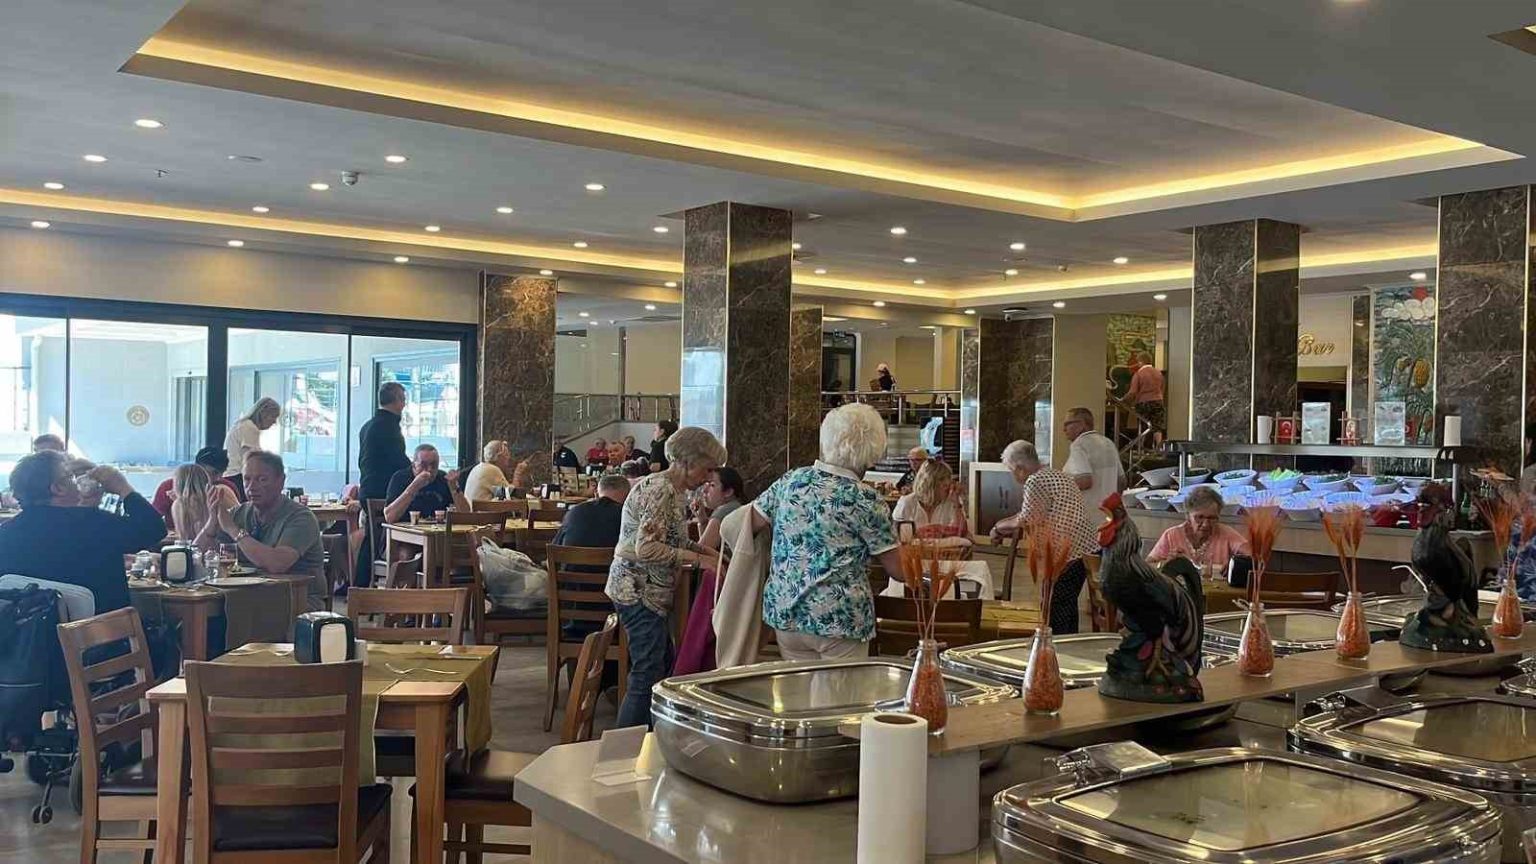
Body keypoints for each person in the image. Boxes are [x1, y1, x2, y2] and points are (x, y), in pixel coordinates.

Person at [750, 403, 903, 661]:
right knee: (841, 688)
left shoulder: (791, 481)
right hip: (839, 620)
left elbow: (749, 524)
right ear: (873, 448)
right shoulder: (865, 499)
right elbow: (900, 571)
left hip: (786, 613)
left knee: (799, 687)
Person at [606, 426, 726, 728]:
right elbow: (646, 549)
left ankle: (647, 740)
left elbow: (673, 540)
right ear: (687, 460)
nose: (709, 477)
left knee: (659, 667)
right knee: (647, 673)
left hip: (648, 592)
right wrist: (700, 560)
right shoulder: (660, 490)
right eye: (707, 468)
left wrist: (709, 554)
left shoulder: (673, 490)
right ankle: (626, 747)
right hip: (637, 591)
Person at [0, 451, 166, 612]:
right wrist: (123, 488)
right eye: (72, 477)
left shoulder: (5, 534)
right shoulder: (94, 523)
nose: (78, 482)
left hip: (27, 629)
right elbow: (154, 529)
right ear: (58, 488)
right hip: (101, 627)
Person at [989, 440, 1097, 634]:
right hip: (1086, 549)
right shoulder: (1056, 474)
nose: (1013, 475)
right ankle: (1068, 644)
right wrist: (1004, 525)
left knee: (1056, 607)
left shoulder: (1035, 480)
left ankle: (1057, 646)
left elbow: (1027, 518)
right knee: (1067, 604)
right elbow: (1031, 513)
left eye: (1011, 470)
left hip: (1067, 552)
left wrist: (997, 528)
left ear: (1020, 468)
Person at [198, 450, 326, 611]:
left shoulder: (301, 517)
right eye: (247, 479)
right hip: (242, 595)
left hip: (295, 599)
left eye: (262, 479)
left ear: (281, 481)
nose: (252, 487)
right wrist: (211, 524)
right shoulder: (239, 513)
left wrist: (233, 530)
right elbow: (195, 557)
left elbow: (276, 564)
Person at [356, 382, 411, 586]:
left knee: (371, 540)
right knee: (387, 537)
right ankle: (399, 578)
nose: (404, 404)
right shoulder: (389, 427)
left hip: (367, 489)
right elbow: (398, 462)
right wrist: (416, 472)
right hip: (383, 491)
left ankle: (360, 586)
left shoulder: (368, 426)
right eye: (403, 399)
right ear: (397, 400)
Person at [1147, 486, 1250, 576]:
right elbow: (1147, 566)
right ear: (1188, 516)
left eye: (1212, 518)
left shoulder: (1226, 533)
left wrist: (1236, 563)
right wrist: (1165, 563)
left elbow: (1254, 556)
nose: (1206, 524)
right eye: (1199, 517)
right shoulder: (1172, 535)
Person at [151, 446, 238, 530]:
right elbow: (153, 519)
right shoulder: (169, 486)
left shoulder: (225, 487)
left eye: (221, 473)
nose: (218, 478)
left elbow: (237, 521)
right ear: (198, 468)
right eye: (214, 473)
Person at [384, 444, 469, 523]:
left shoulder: (443, 478)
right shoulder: (400, 478)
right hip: (403, 531)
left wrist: (454, 487)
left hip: (436, 531)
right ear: (414, 465)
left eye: (434, 465)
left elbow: (466, 516)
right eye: (423, 465)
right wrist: (414, 486)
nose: (429, 469)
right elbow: (389, 517)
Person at [1061, 406, 1123, 513]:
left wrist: (1058, 485)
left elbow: (1085, 481)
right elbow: (1121, 481)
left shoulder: (1079, 444)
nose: (1064, 429)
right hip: (1108, 514)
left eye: (1068, 424)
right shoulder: (1108, 443)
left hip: (1086, 515)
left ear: (1081, 424)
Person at [891, 460, 968, 539]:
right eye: (941, 479)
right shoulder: (907, 502)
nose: (947, 483)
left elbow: (962, 533)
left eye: (948, 478)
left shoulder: (952, 501)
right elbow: (896, 536)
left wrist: (956, 502)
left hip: (945, 547)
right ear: (927, 483)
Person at [554, 474, 630, 548]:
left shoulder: (575, 511)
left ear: (596, 494)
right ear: (628, 496)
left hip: (571, 556)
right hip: (610, 557)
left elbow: (555, 547)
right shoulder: (627, 516)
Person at [223, 397, 281, 485]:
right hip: (237, 477)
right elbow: (252, 460)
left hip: (231, 476)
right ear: (263, 413)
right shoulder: (249, 428)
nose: (274, 422)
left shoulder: (242, 425)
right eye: (273, 416)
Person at [692, 466, 745, 554]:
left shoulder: (724, 511)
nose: (704, 490)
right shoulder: (735, 506)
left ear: (728, 492)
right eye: (706, 484)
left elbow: (701, 552)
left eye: (712, 485)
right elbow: (708, 549)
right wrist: (702, 520)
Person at [464, 440, 530, 502]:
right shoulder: (492, 470)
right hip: (482, 510)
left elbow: (502, 493)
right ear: (497, 457)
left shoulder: (480, 467)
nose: (509, 458)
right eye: (506, 455)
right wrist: (518, 473)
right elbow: (512, 495)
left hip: (474, 510)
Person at [1125, 352, 1166, 444]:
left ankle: (1141, 447)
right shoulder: (1159, 373)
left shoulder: (1139, 374)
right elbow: (1162, 389)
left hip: (1143, 403)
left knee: (1143, 426)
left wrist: (1124, 400)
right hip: (1158, 401)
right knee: (1157, 427)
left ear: (1140, 362)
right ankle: (1158, 447)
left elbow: (1132, 392)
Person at [169, 462, 213, 543]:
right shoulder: (213, 499)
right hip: (218, 548)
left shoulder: (178, 505)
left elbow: (182, 538)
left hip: (191, 548)